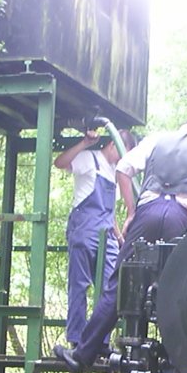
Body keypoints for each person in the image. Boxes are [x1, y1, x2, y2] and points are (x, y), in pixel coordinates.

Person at [54, 119, 187, 371]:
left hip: (147, 213)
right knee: (179, 288)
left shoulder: (158, 138)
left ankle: (83, 354)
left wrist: (131, 212)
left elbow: (123, 169)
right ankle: (178, 363)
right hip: (182, 217)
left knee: (119, 285)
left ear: (181, 128)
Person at [54, 125, 138, 347]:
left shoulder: (115, 173)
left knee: (110, 286)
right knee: (79, 285)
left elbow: (109, 213)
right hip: (84, 229)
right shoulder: (89, 159)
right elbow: (60, 163)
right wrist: (84, 143)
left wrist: (121, 238)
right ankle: (76, 338)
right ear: (113, 145)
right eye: (122, 153)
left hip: (107, 234)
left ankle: (99, 341)